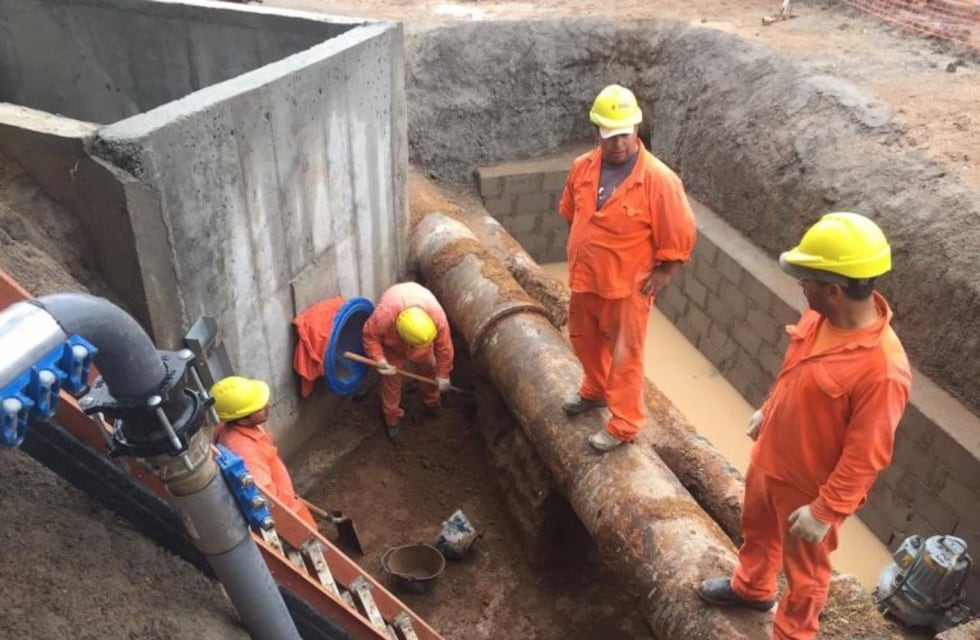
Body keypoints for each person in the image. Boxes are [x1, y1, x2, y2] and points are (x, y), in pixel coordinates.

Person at [698, 212, 912, 640]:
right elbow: (796, 370)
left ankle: (793, 633)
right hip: (772, 455)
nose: (801, 286)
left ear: (833, 290)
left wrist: (824, 512)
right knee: (756, 528)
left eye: (807, 279)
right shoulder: (820, 318)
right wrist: (769, 408)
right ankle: (753, 587)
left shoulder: (883, 370)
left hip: (809, 486)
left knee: (805, 573)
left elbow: (866, 455)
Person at [559, 83, 697, 451]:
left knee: (625, 357)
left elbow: (680, 236)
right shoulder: (581, 168)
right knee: (584, 341)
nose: (618, 142)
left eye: (624, 133)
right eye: (610, 135)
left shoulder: (659, 181)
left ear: (636, 129)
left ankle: (624, 424)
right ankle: (594, 389)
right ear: (597, 132)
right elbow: (571, 214)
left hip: (626, 290)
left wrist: (664, 273)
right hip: (585, 280)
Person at [211, 376, 316, 528]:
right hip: (287, 512)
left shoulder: (235, 424)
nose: (269, 405)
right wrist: (297, 514)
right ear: (243, 420)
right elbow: (269, 500)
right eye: (260, 408)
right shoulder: (245, 452)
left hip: (285, 494)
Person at [361, 282, 454, 439]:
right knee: (391, 381)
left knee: (429, 369)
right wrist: (379, 359)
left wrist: (443, 374)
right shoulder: (385, 315)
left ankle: (432, 401)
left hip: (422, 343)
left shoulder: (437, 317)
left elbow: (445, 347)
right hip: (394, 347)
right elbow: (370, 336)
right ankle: (392, 419)